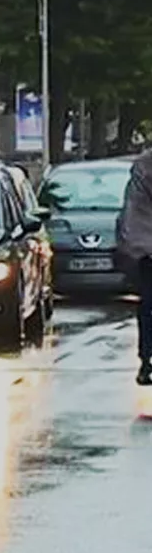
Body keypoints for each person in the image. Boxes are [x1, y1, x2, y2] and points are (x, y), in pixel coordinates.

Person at [115, 150, 152, 384]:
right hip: (148, 247)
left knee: (148, 303)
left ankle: (146, 359)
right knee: (149, 303)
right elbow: (136, 212)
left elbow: (133, 212)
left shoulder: (143, 167)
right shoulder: (144, 168)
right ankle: (147, 359)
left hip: (147, 246)